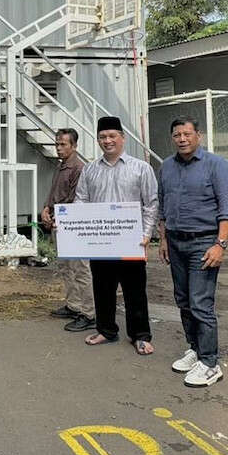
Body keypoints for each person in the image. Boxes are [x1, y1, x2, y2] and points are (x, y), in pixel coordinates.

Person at [157, 117, 228, 387]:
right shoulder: (167, 166)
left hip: (204, 243)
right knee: (183, 300)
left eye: (187, 133)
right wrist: (164, 239)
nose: (182, 139)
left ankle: (210, 362)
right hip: (176, 242)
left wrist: (220, 244)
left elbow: (227, 208)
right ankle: (195, 348)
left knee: (201, 303)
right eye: (177, 134)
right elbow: (163, 205)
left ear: (198, 135)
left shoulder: (217, 165)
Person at [75, 116, 159, 354]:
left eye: (112, 136)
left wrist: (146, 234)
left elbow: (151, 203)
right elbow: (81, 200)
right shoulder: (90, 169)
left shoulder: (141, 168)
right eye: (103, 137)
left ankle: (140, 335)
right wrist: (72, 226)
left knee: (134, 289)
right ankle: (106, 330)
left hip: (131, 241)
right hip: (100, 240)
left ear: (122, 138)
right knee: (102, 286)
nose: (107, 141)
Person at [39, 128, 93, 331]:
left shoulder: (79, 168)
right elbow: (54, 192)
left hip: (72, 225)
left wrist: (58, 217)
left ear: (74, 146)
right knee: (65, 268)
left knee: (80, 269)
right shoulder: (61, 166)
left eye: (63, 145)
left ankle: (88, 313)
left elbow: (75, 200)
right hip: (58, 223)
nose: (59, 148)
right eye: (57, 144)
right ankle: (73, 305)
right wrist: (45, 208)